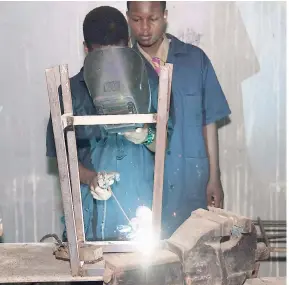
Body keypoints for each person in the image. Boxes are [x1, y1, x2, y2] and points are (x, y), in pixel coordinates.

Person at [46, 6, 171, 243]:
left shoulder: (152, 85)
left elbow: (168, 148)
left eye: (117, 54)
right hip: (88, 229)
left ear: (128, 46)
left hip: (141, 225)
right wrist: (90, 177)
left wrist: (147, 136)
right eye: (101, 57)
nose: (111, 66)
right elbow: (63, 161)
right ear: (86, 50)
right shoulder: (70, 94)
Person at [127, 1, 231, 238]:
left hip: (191, 180)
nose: (144, 28)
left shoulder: (195, 60)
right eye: (136, 19)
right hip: (144, 185)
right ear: (127, 18)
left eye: (152, 19)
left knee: (194, 257)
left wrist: (214, 175)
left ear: (164, 16)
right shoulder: (123, 67)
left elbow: (209, 121)